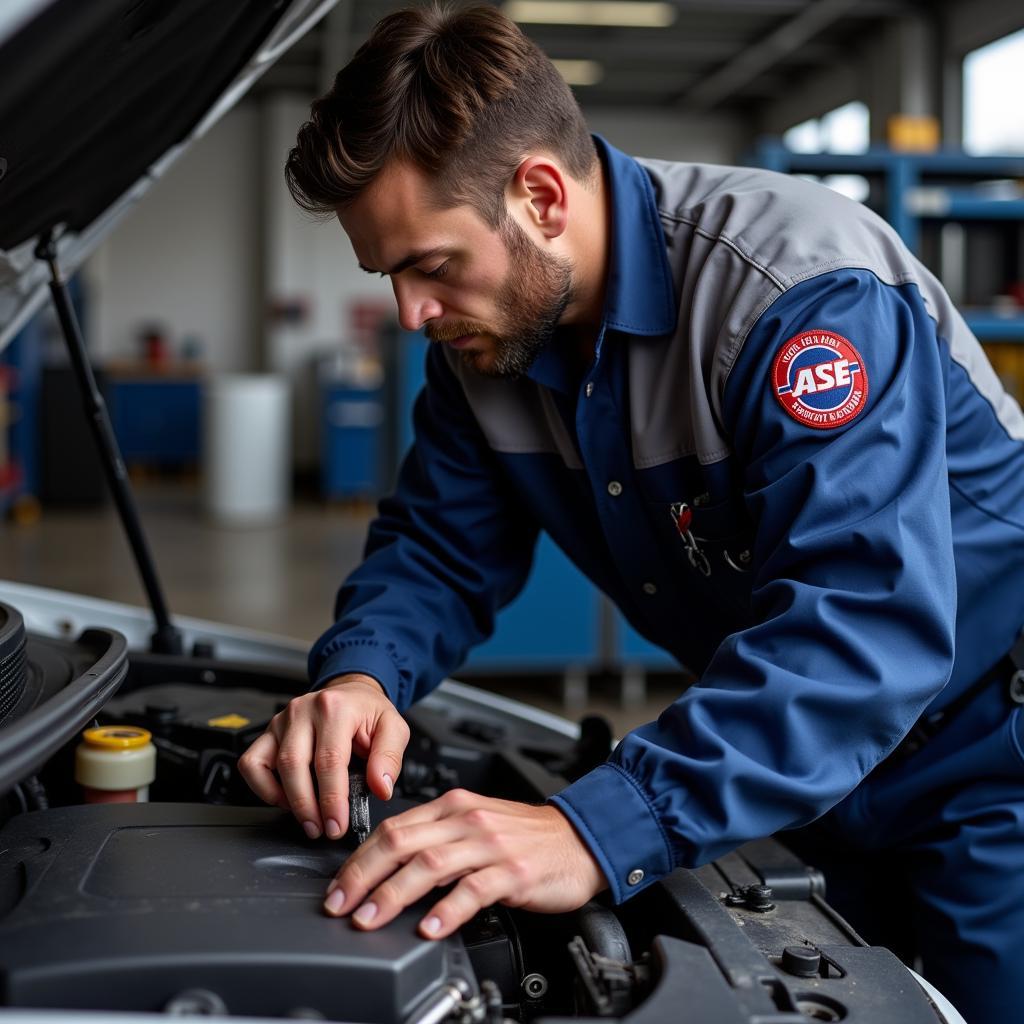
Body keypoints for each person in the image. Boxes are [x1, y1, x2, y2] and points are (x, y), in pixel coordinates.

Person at [237, 5, 1024, 1019]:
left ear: (541, 195)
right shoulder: (488, 348)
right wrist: (359, 676)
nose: (411, 315)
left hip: (985, 763)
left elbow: (860, 624)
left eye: (430, 265)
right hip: (800, 771)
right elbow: (437, 548)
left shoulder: (794, 297)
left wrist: (599, 825)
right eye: (388, 276)